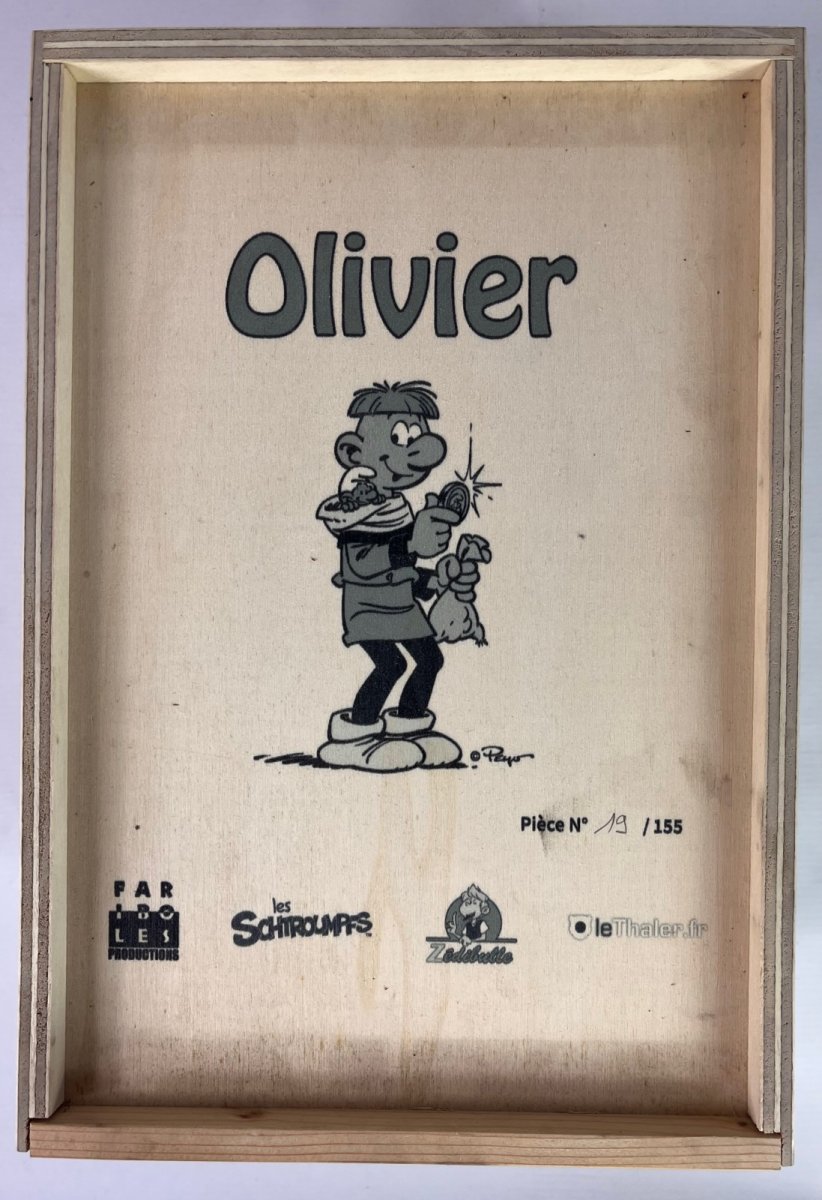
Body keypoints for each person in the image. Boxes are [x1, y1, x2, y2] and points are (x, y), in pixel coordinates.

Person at [315, 380, 478, 771]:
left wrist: (433, 579)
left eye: (417, 435)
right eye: (401, 437)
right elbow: (362, 564)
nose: (416, 449)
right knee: (391, 665)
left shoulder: (398, 506)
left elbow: (402, 565)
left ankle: (409, 726)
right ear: (354, 453)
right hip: (368, 607)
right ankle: (356, 732)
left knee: (430, 659)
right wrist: (410, 546)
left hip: (401, 605)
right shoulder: (355, 512)